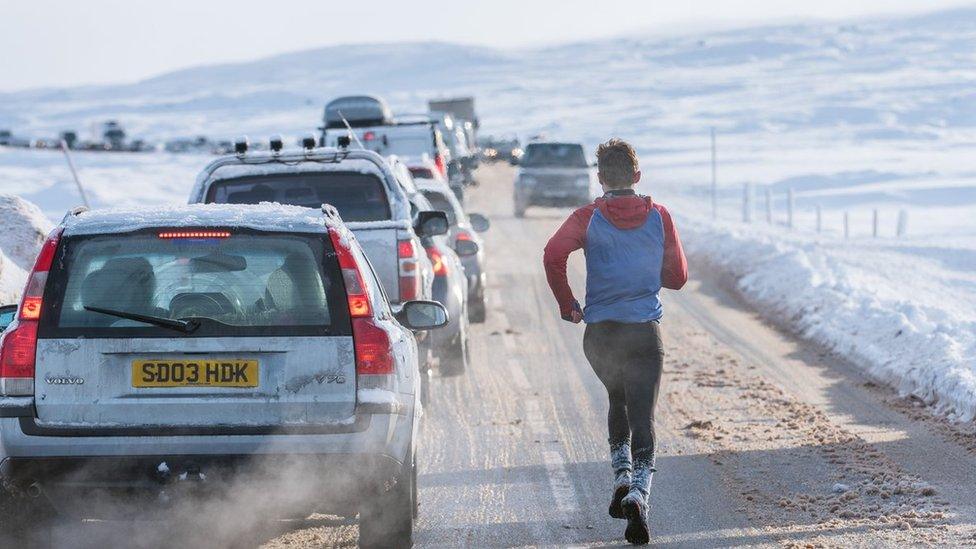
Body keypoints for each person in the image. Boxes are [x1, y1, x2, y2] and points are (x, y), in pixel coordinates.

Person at [542, 138, 687, 545]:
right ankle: (639, 492)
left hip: (600, 333)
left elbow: (553, 255)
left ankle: (621, 475)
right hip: (643, 333)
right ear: (637, 176)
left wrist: (567, 303)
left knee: (616, 399)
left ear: (600, 178)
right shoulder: (660, 216)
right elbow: (677, 279)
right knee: (644, 415)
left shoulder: (586, 217)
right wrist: (643, 267)